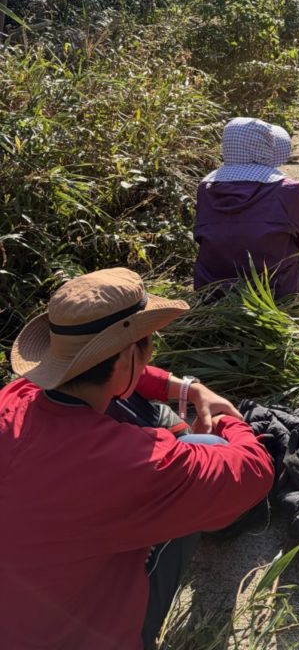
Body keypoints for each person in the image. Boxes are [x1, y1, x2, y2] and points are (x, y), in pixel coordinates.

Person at [0, 267, 276, 650]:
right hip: (87, 638)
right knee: (207, 451)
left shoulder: (15, 398)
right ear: (130, 354)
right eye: (148, 345)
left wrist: (188, 388)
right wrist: (229, 421)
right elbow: (254, 471)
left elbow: (117, 375)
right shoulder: (134, 466)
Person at [194, 117, 299, 298]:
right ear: (266, 149)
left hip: (213, 291)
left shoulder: (206, 188)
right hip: (275, 290)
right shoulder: (288, 190)